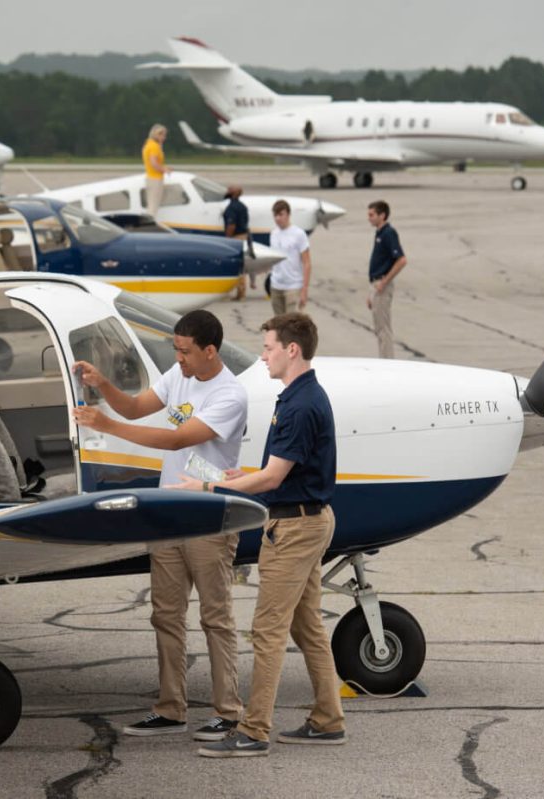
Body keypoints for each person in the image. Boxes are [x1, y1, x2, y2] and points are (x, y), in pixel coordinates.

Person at [174, 312, 346, 758]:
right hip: (305, 519)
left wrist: (210, 486)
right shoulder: (297, 397)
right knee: (307, 627)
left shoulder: (302, 403)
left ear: (292, 350)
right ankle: (328, 720)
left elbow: (271, 480)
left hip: (295, 529)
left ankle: (253, 731)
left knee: (268, 630)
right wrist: (239, 475)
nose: (263, 355)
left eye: (268, 347)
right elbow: (279, 474)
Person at [72, 309, 248, 742]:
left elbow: (176, 438)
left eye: (185, 351)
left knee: (215, 617)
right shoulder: (178, 375)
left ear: (210, 351)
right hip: (170, 512)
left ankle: (229, 711)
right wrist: (103, 385)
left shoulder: (230, 395)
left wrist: (106, 425)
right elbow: (134, 407)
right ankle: (171, 708)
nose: (179, 358)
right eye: (175, 349)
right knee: (165, 615)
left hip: (207, 515)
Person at [366, 200, 407, 359]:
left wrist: (384, 282)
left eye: (372, 215)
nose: (369, 218)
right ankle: (384, 358)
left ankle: (387, 361)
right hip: (376, 284)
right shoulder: (379, 233)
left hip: (382, 283)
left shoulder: (389, 233)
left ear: (382, 215)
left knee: (383, 327)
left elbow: (401, 260)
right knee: (378, 326)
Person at [268, 200, 312, 315]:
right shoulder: (273, 234)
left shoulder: (299, 234)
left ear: (288, 214)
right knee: (278, 324)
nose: (278, 218)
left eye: (281, 214)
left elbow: (307, 262)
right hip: (276, 285)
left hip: (293, 286)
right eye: (275, 215)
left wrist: (304, 289)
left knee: (292, 325)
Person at [223, 186, 251, 301]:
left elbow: (231, 225)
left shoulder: (231, 208)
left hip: (235, 238)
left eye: (229, 190)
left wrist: (227, 239)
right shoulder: (243, 206)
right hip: (243, 236)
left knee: (237, 267)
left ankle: (240, 293)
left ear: (233, 194)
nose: (227, 191)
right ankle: (241, 292)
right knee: (242, 267)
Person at [142, 124, 171, 216]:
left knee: (152, 205)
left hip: (150, 177)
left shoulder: (148, 144)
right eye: (163, 135)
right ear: (157, 135)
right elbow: (154, 163)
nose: (164, 138)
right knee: (153, 207)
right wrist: (164, 169)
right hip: (156, 179)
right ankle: (150, 224)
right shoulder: (154, 146)